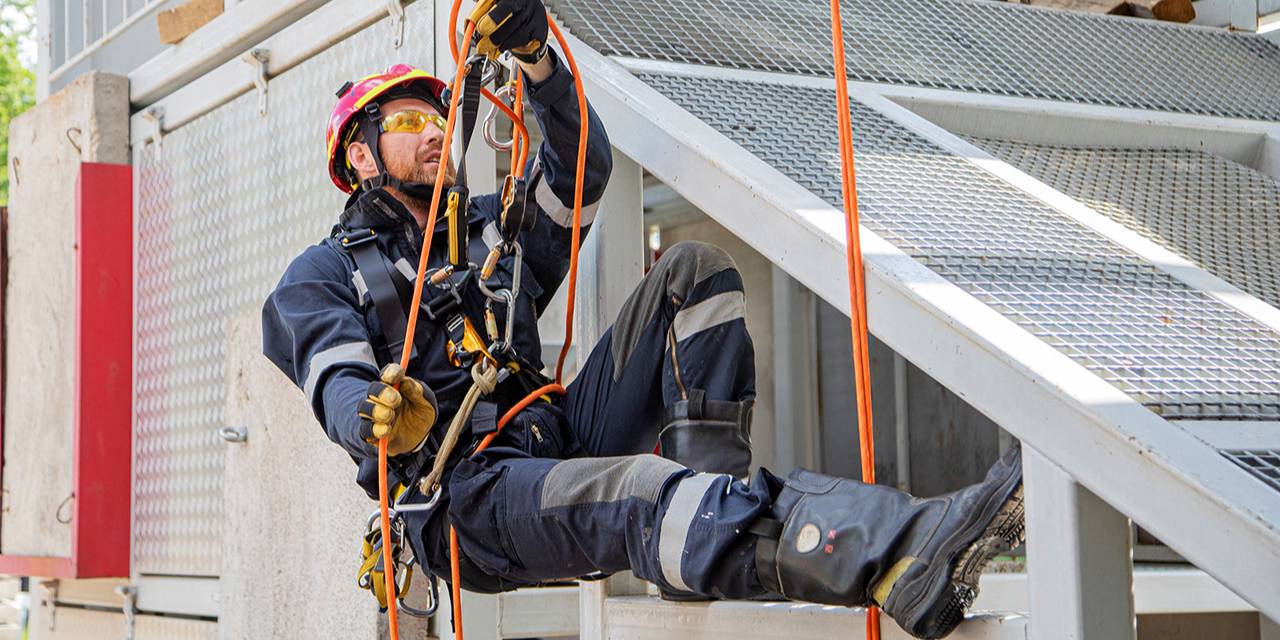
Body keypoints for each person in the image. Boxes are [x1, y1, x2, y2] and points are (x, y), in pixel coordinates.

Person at [261, 1, 1025, 637]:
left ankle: (707, 528)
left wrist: (537, 62)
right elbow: (335, 375)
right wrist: (376, 418)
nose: (434, 130)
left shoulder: (487, 235)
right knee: (640, 488)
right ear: (361, 157)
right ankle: (900, 547)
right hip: (468, 496)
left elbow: (580, 171)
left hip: (550, 435)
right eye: (406, 121)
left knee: (693, 271)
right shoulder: (322, 275)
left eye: (436, 115)